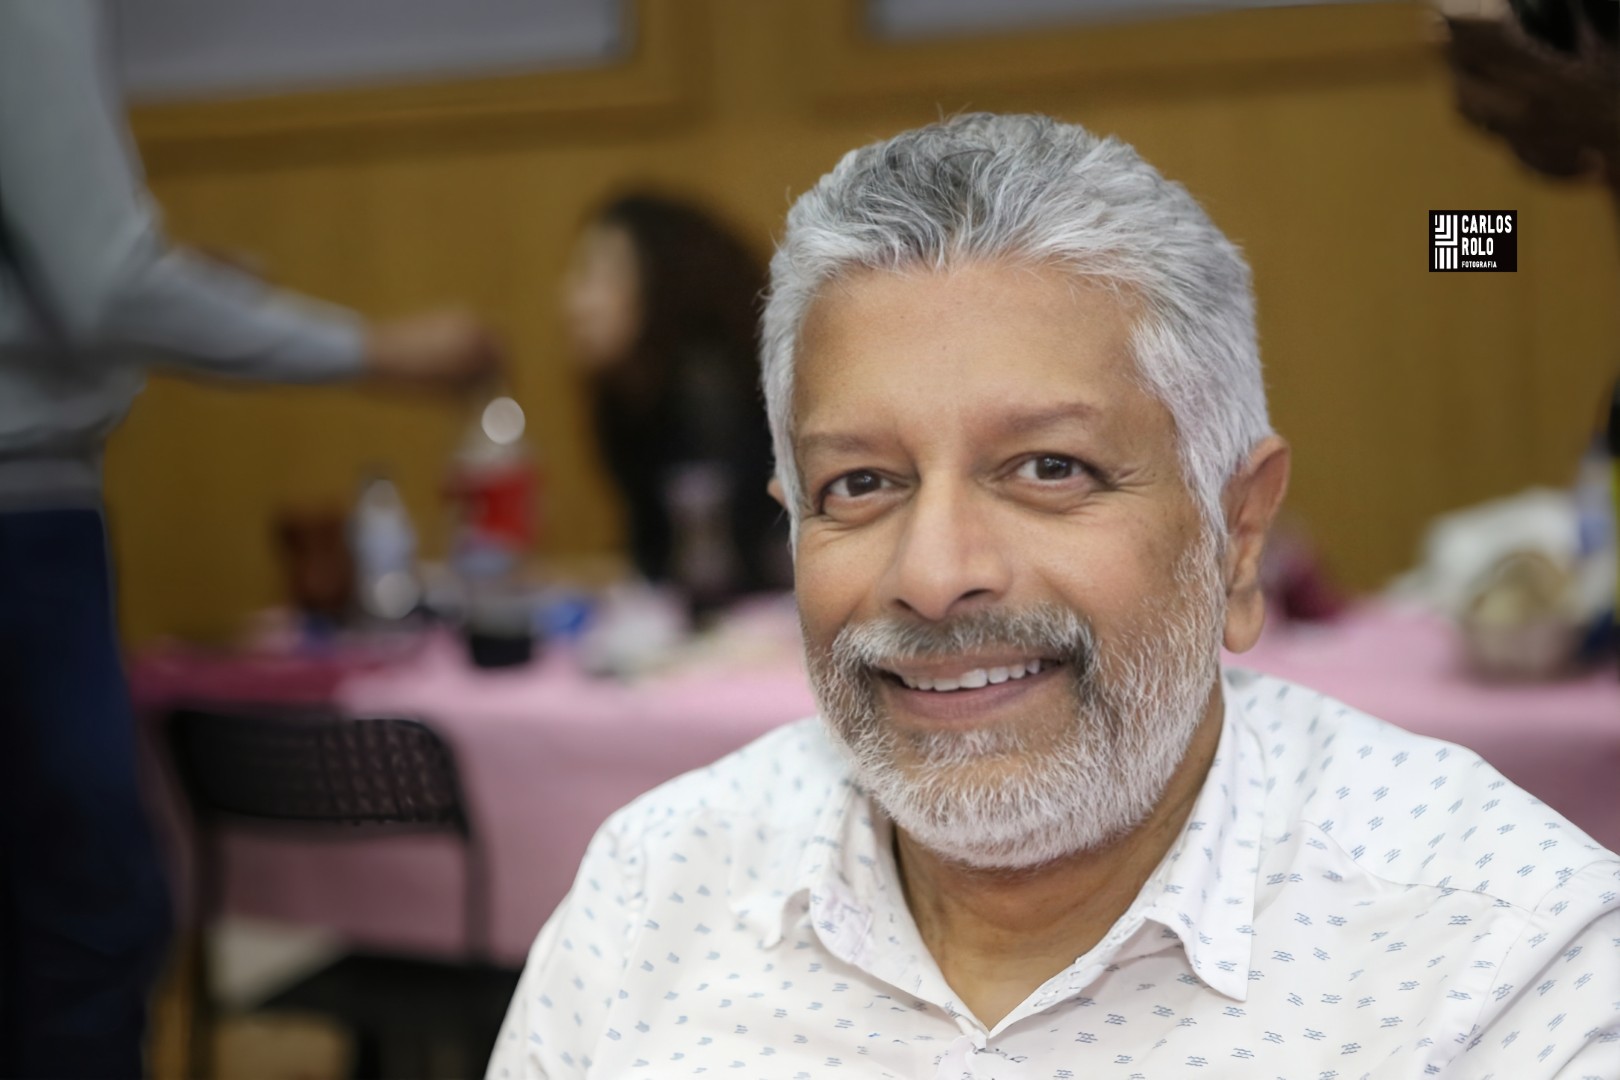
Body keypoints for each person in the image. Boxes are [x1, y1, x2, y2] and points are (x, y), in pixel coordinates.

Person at [489, 115, 1619, 1077]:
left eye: (1049, 468)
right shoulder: (652, 899)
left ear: (1237, 536)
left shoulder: (1502, 961)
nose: (935, 575)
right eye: (862, 484)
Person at [0, 2, 501, 1076]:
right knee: (82, 923)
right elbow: (105, 285)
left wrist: (155, 286)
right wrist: (378, 349)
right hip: (21, 517)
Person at [563, 194, 788, 609]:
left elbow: (722, 570)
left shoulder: (712, 395)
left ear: (661, 283)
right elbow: (652, 556)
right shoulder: (631, 394)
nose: (572, 302)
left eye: (598, 276)